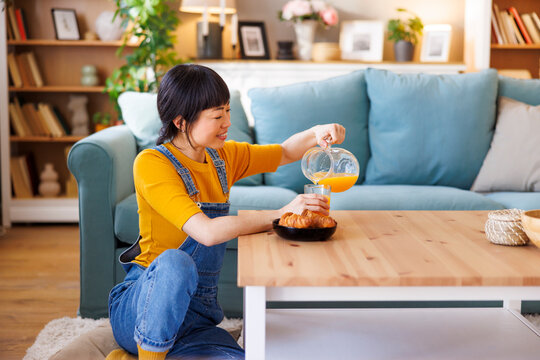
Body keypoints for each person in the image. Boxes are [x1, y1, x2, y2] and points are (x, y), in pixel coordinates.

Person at [106, 64, 345, 360]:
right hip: (141, 309)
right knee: (175, 263)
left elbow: (284, 152)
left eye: (228, 111)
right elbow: (206, 232)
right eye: (217, 115)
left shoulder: (223, 157)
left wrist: (316, 132)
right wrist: (281, 214)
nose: (227, 122)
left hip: (195, 322)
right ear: (181, 121)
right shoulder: (152, 163)